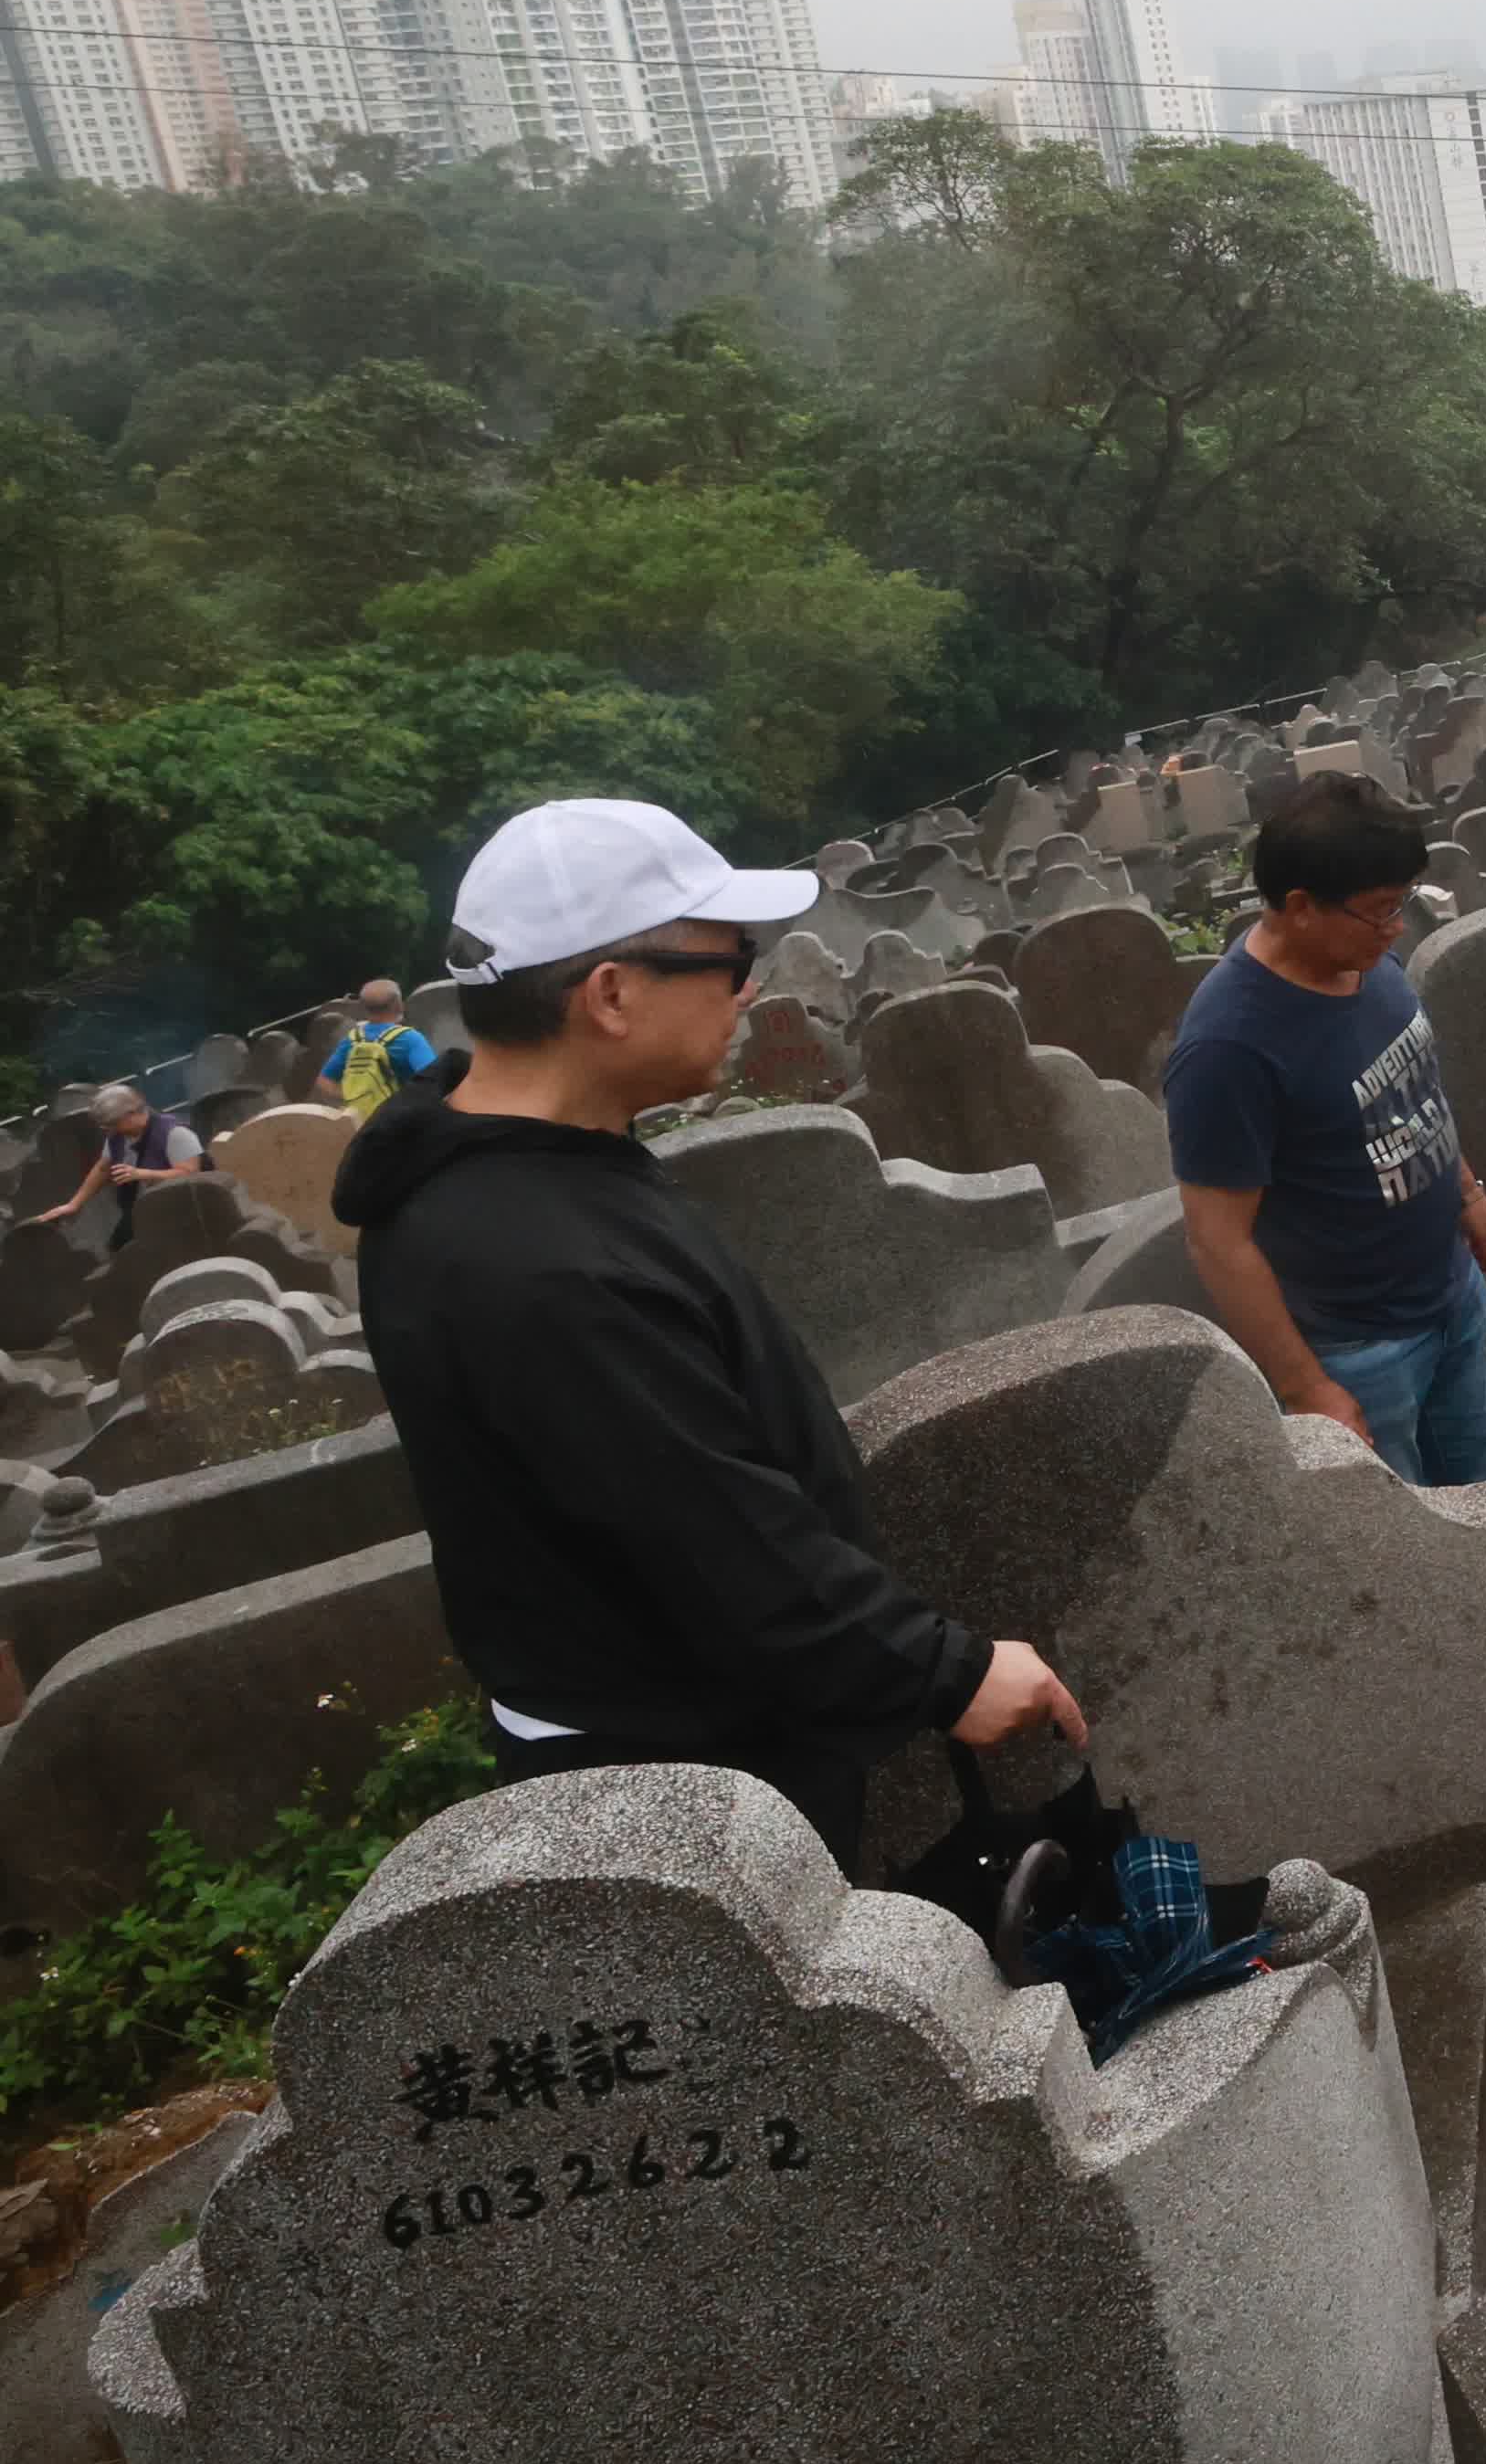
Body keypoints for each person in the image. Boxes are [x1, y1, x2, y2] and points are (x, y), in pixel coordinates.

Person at [331, 798, 1086, 1871]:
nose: (753, 986)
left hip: (705, 1715)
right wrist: (945, 1673)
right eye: (731, 961)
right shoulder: (530, 1264)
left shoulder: (521, 1165)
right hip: (685, 1765)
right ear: (610, 993)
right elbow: (706, 1535)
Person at [1164, 773, 1486, 1489]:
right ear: (1300, 906)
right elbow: (1217, 1239)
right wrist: (1305, 1388)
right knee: (1406, 1535)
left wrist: (1468, 1194)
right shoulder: (1229, 1045)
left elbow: (1413, 1092)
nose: (1397, 926)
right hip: (1359, 1347)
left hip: (1450, 1294)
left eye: (1402, 902)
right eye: (1382, 909)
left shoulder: (1362, 958)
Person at [33, 1083, 204, 1249]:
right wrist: (74, 1204)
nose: (109, 1129)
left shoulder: (175, 1133)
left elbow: (189, 1174)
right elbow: (102, 1168)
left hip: (182, 1210)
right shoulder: (117, 1136)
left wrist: (143, 1174)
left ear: (132, 1114)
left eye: (113, 1123)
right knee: (119, 1248)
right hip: (141, 1210)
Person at [319, 979, 445, 1120]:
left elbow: (324, 1082)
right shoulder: (410, 1039)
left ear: (364, 1008)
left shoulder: (352, 1039)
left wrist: (356, 1096)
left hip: (364, 1124)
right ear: (399, 1005)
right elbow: (435, 1081)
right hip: (400, 1122)